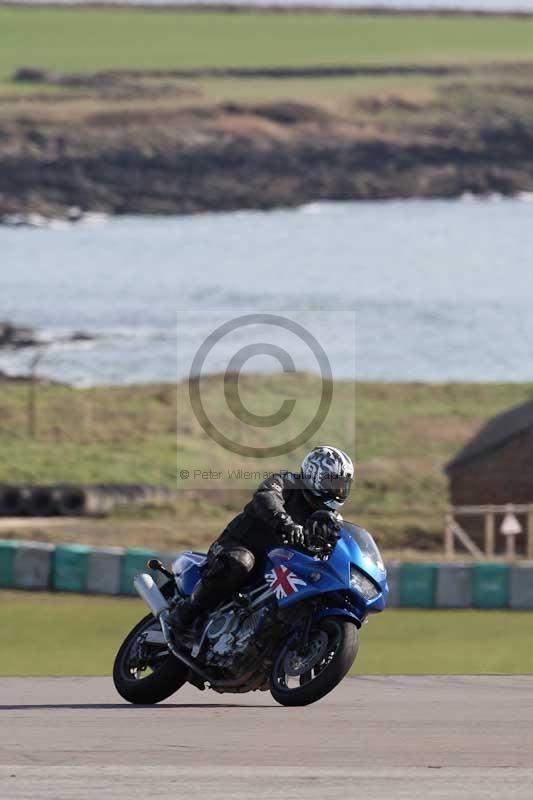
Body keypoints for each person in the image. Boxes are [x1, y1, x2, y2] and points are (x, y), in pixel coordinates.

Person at [170, 445, 354, 634]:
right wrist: (286, 523)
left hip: (280, 564)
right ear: (314, 474)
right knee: (240, 563)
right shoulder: (287, 482)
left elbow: (337, 544)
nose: (338, 490)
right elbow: (267, 496)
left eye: (342, 485)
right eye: (333, 483)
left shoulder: (328, 518)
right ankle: (187, 612)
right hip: (240, 544)